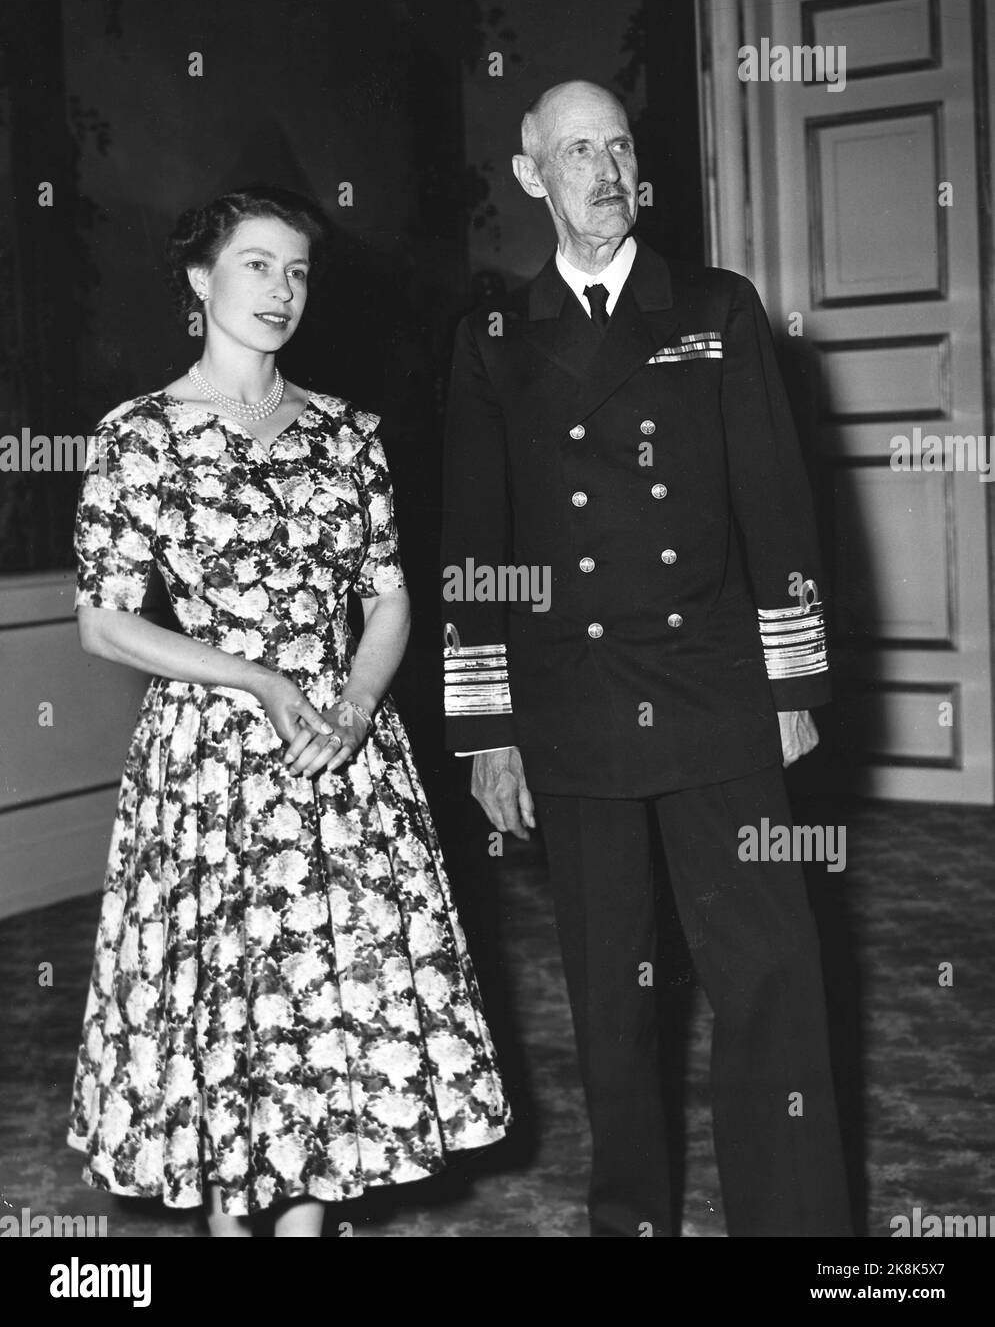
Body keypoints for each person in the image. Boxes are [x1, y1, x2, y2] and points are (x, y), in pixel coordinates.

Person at [440, 81, 852, 1237]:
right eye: (576, 151)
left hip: (715, 690)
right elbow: (476, 545)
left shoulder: (713, 306)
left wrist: (794, 683)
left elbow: (777, 505)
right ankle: (629, 1222)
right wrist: (485, 726)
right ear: (531, 176)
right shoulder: (492, 340)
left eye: (619, 145)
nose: (604, 171)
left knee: (768, 976)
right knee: (610, 1003)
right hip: (570, 708)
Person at [68, 183, 509, 1237]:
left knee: (330, 1016)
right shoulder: (139, 437)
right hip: (212, 767)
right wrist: (260, 680)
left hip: (339, 762)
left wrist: (354, 698)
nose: (281, 290)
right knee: (229, 1016)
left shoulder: (347, 436)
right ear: (198, 278)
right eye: (257, 264)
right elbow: (104, 622)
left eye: (297, 271)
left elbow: (392, 595)